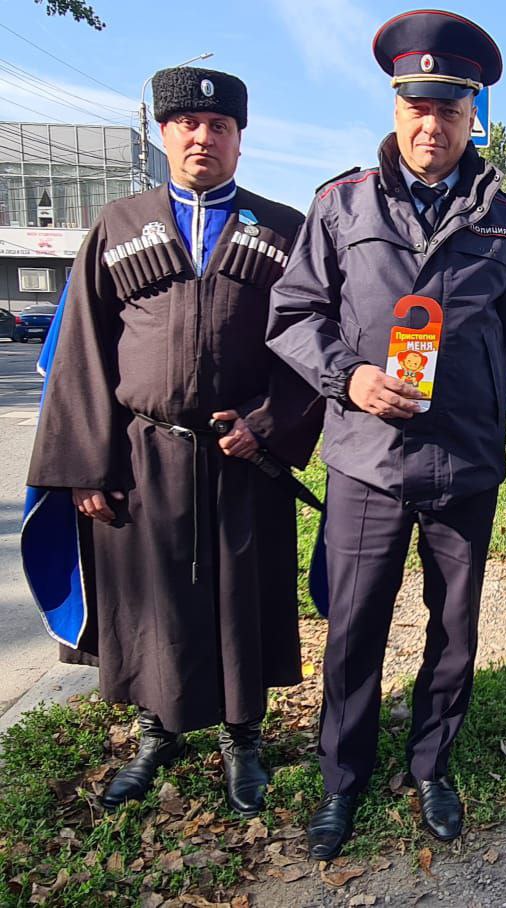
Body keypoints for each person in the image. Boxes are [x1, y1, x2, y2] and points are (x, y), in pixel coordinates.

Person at [266, 10, 506, 857]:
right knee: (355, 626)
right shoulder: (340, 206)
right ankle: (342, 779)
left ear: (475, 114)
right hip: (366, 463)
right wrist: (349, 378)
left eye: (450, 108)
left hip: (465, 463)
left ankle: (432, 765)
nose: (432, 124)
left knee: (454, 630)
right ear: (396, 108)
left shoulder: (505, 222)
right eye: (416, 107)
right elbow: (291, 316)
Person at [24, 66, 324, 819]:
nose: (203, 137)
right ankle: (157, 731)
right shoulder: (118, 228)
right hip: (140, 457)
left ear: (240, 140)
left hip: (243, 456)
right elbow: (81, 354)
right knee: (153, 602)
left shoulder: (283, 229)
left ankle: (242, 737)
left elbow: (315, 347)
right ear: (164, 134)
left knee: (240, 600)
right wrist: (83, 466)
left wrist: (268, 423)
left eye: (219, 126)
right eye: (188, 124)